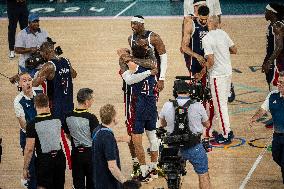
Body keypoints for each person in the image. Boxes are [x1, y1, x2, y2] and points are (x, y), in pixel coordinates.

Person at [159, 80, 211, 189]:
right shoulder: (198, 105)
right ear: (189, 91)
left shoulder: (167, 105)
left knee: (170, 174)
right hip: (194, 146)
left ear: (175, 92)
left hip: (173, 148)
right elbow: (207, 124)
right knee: (203, 175)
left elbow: (162, 124)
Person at [200, 15, 237, 143]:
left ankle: (226, 134)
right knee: (223, 105)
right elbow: (234, 49)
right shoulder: (223, 33)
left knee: (220, 106)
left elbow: (210, 60)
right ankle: (226, 130)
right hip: (228, 73)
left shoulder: (207, 38)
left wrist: (202, 72)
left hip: (217, 75)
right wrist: (222, 51)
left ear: (209, 23)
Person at [23, 93, 66, 189]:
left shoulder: (32, 124)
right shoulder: (57, 119)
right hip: (59, 159)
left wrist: (25, 168)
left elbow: (29, 149)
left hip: (44, 161)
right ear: (48, 104)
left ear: (35, 105)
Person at [250, 71, 284, 184]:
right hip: (277, 136)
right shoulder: (272, 95)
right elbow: (263, 109)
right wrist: (255, 117)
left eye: (281, 83)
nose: (278, 84)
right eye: (278, 82)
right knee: (275, 156)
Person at [63, 88, 99, 189]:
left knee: (78, 184)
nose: (92, 101)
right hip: (90, 154)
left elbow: (68, 135)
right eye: (92, 99)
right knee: (92, 184)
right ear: (86, 102)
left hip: (75, 155)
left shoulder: (67, 116)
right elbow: (96, 138)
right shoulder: (91, 118)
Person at [32, 41, 77, 121]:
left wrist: (19, 79)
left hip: (56, 105)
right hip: (68, 102)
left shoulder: (49, 66)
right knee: (68, 130)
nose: (42, 56)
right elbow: (74, 75)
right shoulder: (66, 61)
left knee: (57, 130)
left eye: (42, 54)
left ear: (46, 52)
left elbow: (35, 83)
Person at [92, 104, 127, 189]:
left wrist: (120, 139)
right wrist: (125, 182)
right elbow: (112, 166)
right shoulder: (108, 137)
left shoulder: (97, 130)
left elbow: (102, 142)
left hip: (98, 180)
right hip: (108, 184)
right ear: (113, 118)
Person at [13, 72, 37, 189]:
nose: (28, 82)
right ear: (20, 84)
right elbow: (23, 125)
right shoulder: (18, 101)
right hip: (28, 137)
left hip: (41, 136)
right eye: (24, 80)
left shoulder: (40, 93)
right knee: (31, 165)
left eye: (29, 79)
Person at [15, 13, 48, 77]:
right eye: (34, 22)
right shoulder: (22, 34)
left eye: (37, 21)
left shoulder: (44, 32)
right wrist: (30, 49)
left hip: (40, 66)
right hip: (25, 67)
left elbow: (48, 45)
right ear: (29, 23)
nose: (36, 23)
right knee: (26, 86)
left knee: (38, 86)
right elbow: (17, 50)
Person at [181, 5, 209, 77]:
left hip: (208, 57)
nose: (204, 21)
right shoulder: (191, 24)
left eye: (206, 19)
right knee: (195, 81)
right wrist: (197, 56)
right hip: (194, 58)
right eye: (202, 19)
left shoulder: (211, 24)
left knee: (208, 83)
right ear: (198, 15)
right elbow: (184, 47)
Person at [262, 3, 284, 91]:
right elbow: (270, 48)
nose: (265, 13)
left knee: (276, 90)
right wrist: (266, 60)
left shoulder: (277, 25)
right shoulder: (273, 25)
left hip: (277, 63)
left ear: (272, 12)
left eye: (266, 11)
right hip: (273, 60)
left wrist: (269, 61)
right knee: (272, 87)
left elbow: (279, 46)